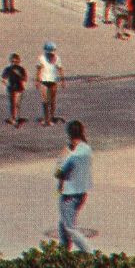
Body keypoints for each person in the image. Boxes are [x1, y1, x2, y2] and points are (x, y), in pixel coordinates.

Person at [55, 119, 95, 252]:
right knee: (63, 225)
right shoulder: (87, 149)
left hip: (69, 195)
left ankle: (88, 252)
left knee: (70, 227)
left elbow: (59, 173)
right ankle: (63, 251)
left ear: (69, 135)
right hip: (82, 193)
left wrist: (62, 157)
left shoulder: (72, 155)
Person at [36, 42, 63, 127]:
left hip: (53, 81)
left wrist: (62, 80)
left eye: (52, 52)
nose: (51, 54)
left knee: (52, 100)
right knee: (44, 100)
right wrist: (37, 80)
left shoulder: (57, 58)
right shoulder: (41, 58)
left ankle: (51, 117)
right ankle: (46, 118)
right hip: (44, 81)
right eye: (49, 52)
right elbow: (39, 69)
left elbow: (60, 69)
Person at [2, 53, 27, 126]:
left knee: (17, 104)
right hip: (11, 88)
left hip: (19, 88)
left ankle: (16, 118)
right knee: (12, 104)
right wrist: (7, 85)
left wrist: (19, 74)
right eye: (12, 62)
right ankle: (13, 118)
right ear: (10, 61)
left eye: (16, 62)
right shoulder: (8, 69)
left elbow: (25, 79)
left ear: (19, 61)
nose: (14, 63)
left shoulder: (21, 69)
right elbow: (3, 78)